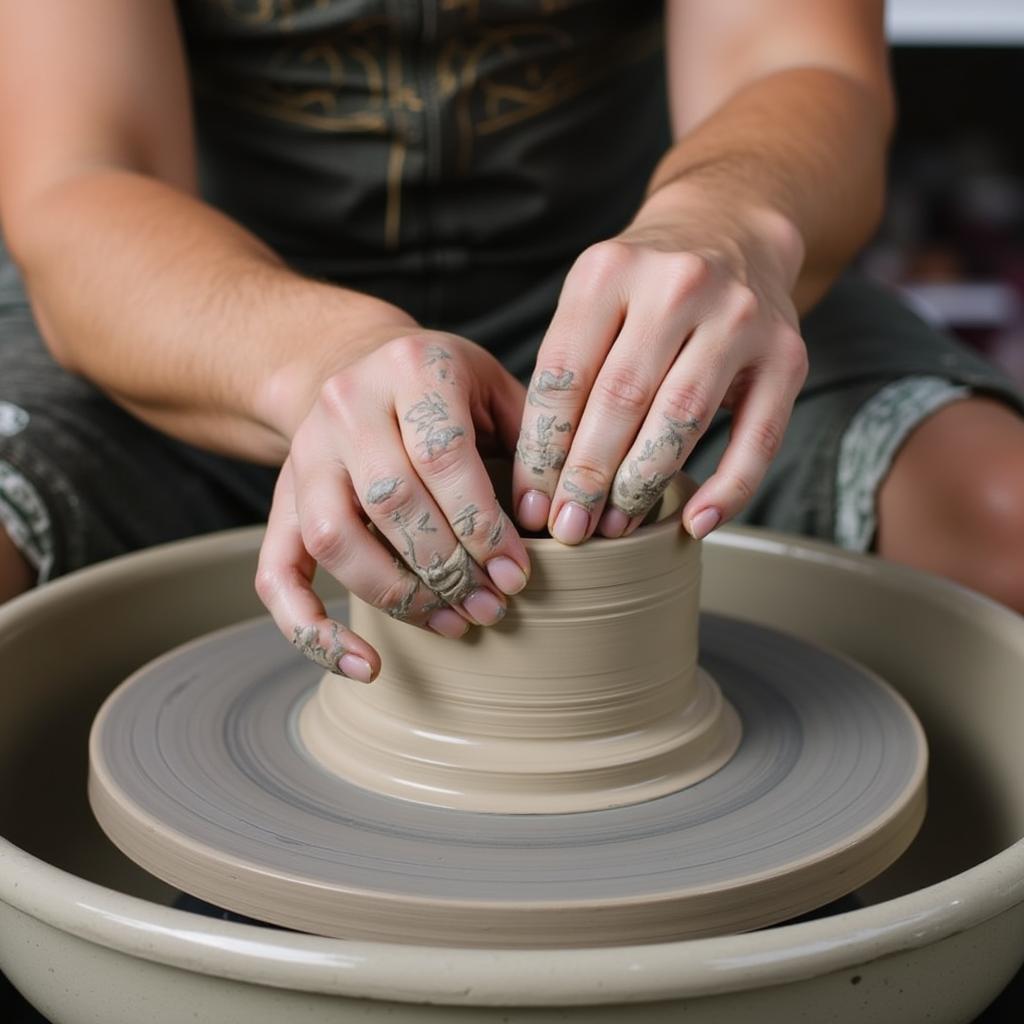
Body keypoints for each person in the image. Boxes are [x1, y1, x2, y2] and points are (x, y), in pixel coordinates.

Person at [0, 0, 1022, 685]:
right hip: (216, 303)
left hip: (631, 280)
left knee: (998, 522)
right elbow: (80, 177)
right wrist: (324, 355)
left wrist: (726, 220)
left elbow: (794, 57)